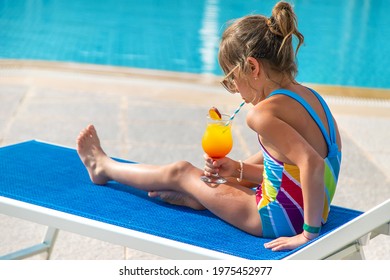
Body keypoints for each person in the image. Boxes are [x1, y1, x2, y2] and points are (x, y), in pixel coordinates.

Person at [76, 1, 342, 251]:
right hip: (314, 208)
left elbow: (311, 163)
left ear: (252, 67)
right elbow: (288, 166)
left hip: (276, 218)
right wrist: (236, 169)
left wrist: (308, 234)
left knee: (180, 171)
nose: (235, 90)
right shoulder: (311, 98)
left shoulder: (261, 115)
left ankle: (103, 167)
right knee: (219, 176)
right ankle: (200, 196)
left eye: (232, 79)